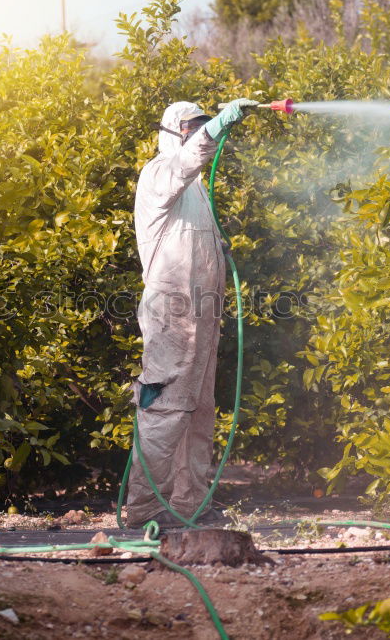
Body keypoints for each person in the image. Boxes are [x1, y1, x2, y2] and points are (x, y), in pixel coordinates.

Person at [126, 98, 258, 528]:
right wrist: (218, 126)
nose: (201, 134)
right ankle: (146, 508)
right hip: (172, 312)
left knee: (198, 409)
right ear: (172, 132)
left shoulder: (197, 188)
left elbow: (195, 235)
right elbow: (187, 159)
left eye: (203, 125)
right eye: (193, 127)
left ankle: (189, 503)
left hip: (203, 312)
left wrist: (218, 248)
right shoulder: (160, 173)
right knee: (165, 406)